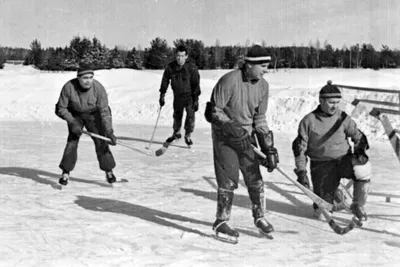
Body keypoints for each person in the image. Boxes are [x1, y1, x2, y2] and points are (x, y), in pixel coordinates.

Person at [204, 45, 279, 243]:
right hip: (224, 137)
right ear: (250, 64)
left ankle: (260, 216)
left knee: (255, 177)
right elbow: (213, 111)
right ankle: (221, 221)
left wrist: (268, 147)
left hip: (246, 138)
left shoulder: (263, 86)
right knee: (229, 179)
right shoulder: (229, 81)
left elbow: (259, 117)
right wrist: (231, 127)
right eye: (263, 65)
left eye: (267, 66)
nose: (266, 70)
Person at [292, 80, 371, 223]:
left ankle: (358, 205)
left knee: (363, 168)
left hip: (343, 159)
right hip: (321, 165)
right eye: (331, 102)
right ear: (321, 100)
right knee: (322, 214)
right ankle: (334, 195)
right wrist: (302, 171)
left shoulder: (343, 118)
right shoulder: (308, 121)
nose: (335, 106)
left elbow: (359, 137)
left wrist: (360, 152)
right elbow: (300, 149)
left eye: (337, 102)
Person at [55, 64, 118, 185]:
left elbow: (105, 111)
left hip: (94, 115)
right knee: (72, 141)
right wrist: (72, 122)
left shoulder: (98, 88)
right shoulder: (69, 87)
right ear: (78, 78)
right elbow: (61, 108)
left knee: (101, 140)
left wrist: (109, 131)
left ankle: (108, 170)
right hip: (75, 115)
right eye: (85, 78)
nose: (88, 81)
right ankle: (65, 172)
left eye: (90, 77)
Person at [158, 45, 201, 146]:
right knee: (177, 115)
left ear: (186, 56)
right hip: (177, 96)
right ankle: (176, 132)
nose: (179, 58)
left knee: (190, 116)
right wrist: (162, 94)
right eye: (178, 55)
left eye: (182, 56)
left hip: (189, 96)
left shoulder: (192, 68)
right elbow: (165, 80)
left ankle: (188, 135)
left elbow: (196, 84)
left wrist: (196, 99)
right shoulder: (171, 67)